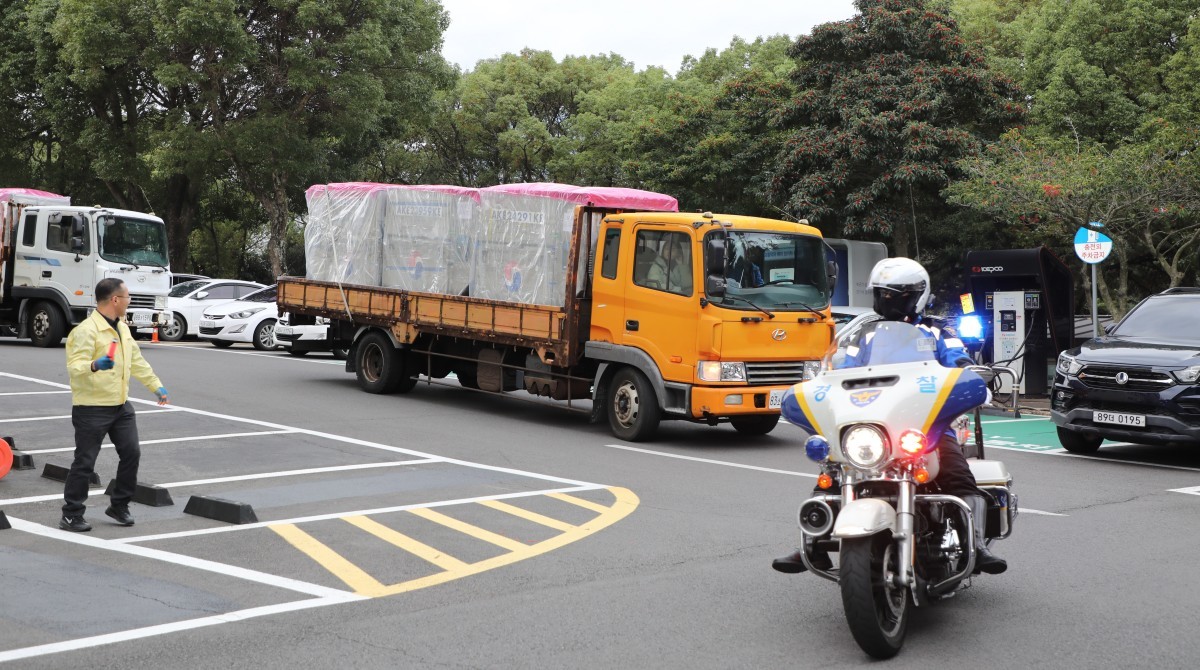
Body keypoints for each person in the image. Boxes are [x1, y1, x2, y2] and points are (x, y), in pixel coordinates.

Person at [772, 257, 1007, 575]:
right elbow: (840, 369)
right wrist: (819, 384)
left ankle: (976, 544)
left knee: (957, 473)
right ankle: (813, 546)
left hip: (925, 427)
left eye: (895, 294)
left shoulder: (937, 332)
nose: (886, 300)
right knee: (832, 474)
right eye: (881, 294)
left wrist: (971, 373)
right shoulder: (863, 336)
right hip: (873, 424)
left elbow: (957, 358)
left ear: (917, 295)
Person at [60, 278, 169, 532]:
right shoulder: (86, 331)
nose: (129, 301)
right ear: (115, 300)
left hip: (120, 406)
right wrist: (94, 364)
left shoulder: (122, 328)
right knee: (85, 462)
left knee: (132, 453)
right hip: (91, 407)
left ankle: (119, 505)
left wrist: (156, 385)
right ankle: (71, 514)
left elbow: (137, 361)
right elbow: (74, 367)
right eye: (127, 297)